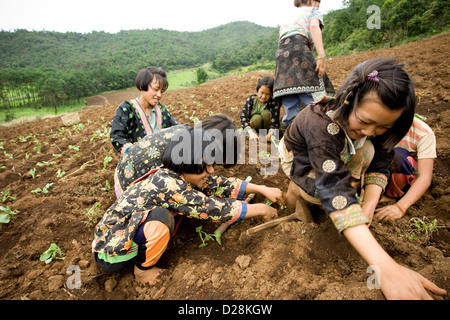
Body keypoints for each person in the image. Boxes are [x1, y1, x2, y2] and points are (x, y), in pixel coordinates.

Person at [278, 57, 446, 299]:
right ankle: (294, 190)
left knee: (368, 149)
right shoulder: (320, 125)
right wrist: (387, 269)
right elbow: (333, 189)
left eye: (380, 128)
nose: (370, 132)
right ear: (348, 99)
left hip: (339, 149)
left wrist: (367, 206)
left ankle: (347, 189)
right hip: (300, 156)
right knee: (317, 193)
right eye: (365, 122)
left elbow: (380, 164)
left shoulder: (375, 124)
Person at [93, 128, 284, 285]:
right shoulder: (170, 185)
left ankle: (146, 248)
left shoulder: (180, 174)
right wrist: (262, 209)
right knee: (161, 218)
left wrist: (262, 188)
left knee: (171, 213)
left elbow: (220, 183)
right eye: (206, 166)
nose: (210, 171)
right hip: (112, 252)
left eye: (211, 165)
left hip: (126, 235)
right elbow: (213, 208)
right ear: (187, 162)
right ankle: (143, 271)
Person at [113, 114, 241, 198]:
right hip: (130, 189)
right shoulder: (185, 150)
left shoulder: (188, 134)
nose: (212, 169)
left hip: (123, 172)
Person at [274, 0, 335, 131]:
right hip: (299, 49)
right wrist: (321, 56)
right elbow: (314, 27)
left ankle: (290, 137)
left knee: (290, 95)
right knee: (311, 92)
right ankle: (315, 128)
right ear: (313, 1)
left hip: (281, 54)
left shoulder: (289, 16)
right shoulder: (313, 11)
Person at [375, 115, 436, 222]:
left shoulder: (423, 133)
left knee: (398, 156)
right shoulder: (374, 122)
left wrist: (400, 207)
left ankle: (391, 196)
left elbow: (425, 177)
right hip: (372, 173)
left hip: (400, 180)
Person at [110, 67, 179, 154]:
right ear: (141, 85)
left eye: (162, 91)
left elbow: (176, 127)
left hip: (162, 160)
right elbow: (116, 136)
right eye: (156, 89)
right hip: (137, 161)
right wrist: (131, 149)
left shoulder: (160, 110)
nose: (159, 95)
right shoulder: (126, 109)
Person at [240, 76, 280, 142]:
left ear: (272, 94)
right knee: (256, 118)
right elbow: (244, 118)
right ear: (257, 90)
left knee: (266, 113)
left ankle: (266, 135)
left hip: (267, 128)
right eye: (262, 92)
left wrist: (271, 133)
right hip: (253, 128)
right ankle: (256, 133)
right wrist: (250, 132)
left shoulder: (273, 103)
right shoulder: (251, 99)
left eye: (268, 94)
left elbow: (275, 122)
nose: (264, 96)